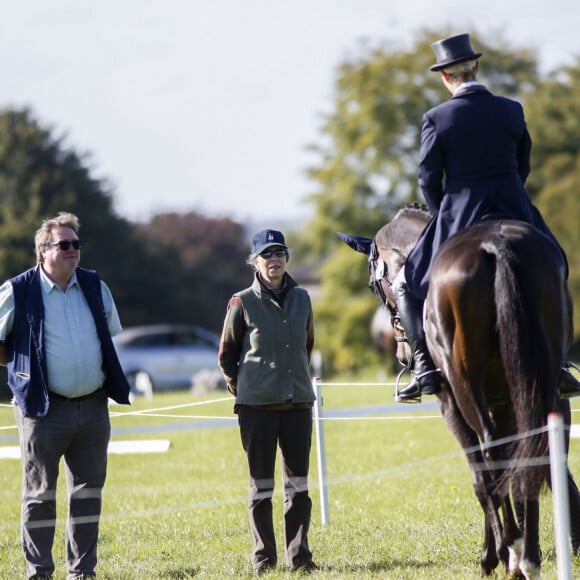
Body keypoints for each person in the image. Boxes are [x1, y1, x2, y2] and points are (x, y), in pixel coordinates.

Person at [392, 32, 580, 402]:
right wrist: (510, 195)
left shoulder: (436, 118)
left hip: (459, 212)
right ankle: (559, 364)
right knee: (556, 264)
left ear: (445, 76)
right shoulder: (511, 109)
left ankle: (423, 368)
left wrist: (442, 211)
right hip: (514, 204)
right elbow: (523, 162)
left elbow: (428, 177)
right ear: (476, 67)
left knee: (403, 283)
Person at [0, 212, 131, 580]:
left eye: (76, 244)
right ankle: (39, 572)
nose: (73, 250)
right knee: (39, 496)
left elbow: (108, 335)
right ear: (44, 251)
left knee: (88, 494)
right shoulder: (18, 289)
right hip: (42, 410)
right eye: (64, 244)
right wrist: (20, 367)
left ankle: (82, 572)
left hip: (92, 407)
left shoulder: (94, 285)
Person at [218, 229, 317, 575]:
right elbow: (227, 355)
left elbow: (307, 345)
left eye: (280, 254)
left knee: (299, 486)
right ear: (255, 262)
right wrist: (246, 388)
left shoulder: (303, 297)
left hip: (298, 404)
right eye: (266, 255)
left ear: (287, 258)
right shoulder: (241, 301)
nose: (274, 260)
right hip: (256, 408)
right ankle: (264, 558)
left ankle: (299, 557)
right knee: (261, 487)